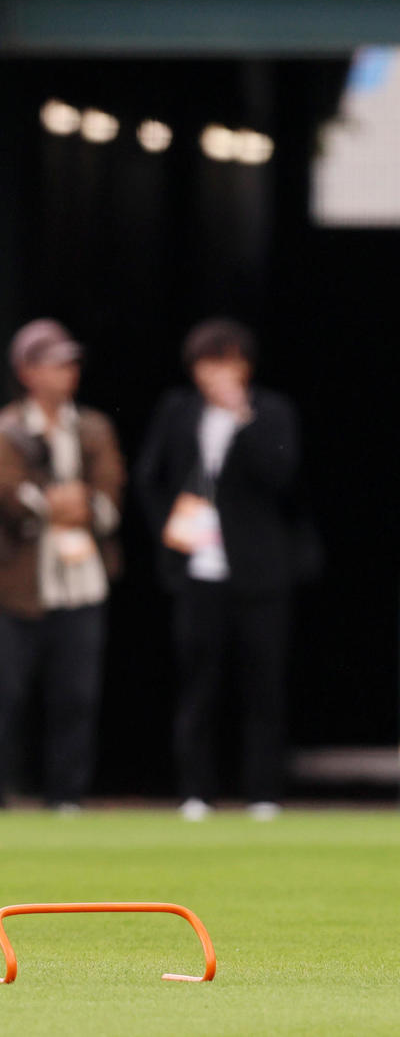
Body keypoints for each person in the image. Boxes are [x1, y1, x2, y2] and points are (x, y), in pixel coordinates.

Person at [136, 319, 303, 822]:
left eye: (228, 362)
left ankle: (263, 794)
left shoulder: (272, 412)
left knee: (264, 684)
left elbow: (283, 477)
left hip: (261, 573)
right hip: (197, 571)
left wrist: (242, 419)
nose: (218, 374)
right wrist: (171, 535)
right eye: (208, 364)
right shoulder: (177, 411)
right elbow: (150, 478)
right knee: (198, 684)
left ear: (245, 365)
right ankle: (195, 793)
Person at [0, 320, 124, 811]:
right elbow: (8, 493)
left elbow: (110, 493)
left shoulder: (93, 427)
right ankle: (6, 793)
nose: (66, 372)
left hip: (81, 581)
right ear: (27, 370)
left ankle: (66, 797)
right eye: (54, 362)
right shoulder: (8, 428)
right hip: (17, 586)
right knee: (8, 696)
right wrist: (54, 504)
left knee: (75, 696)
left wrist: (81, 505)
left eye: (71, 363)